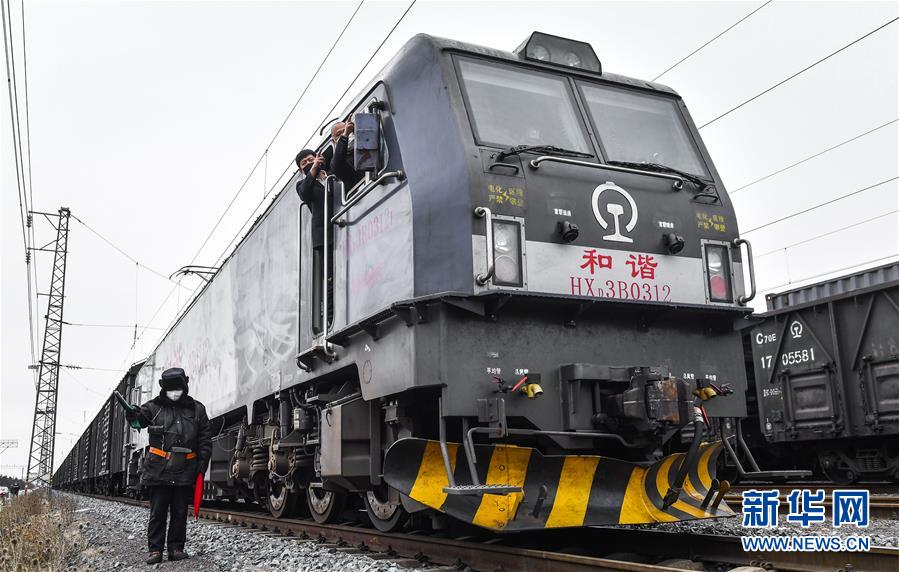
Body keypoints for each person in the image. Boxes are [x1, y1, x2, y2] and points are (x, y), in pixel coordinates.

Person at [126, 367, 211, 565]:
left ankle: (176, 548)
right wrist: (133, 416)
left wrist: (202, 465)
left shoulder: (197, 409)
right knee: (158, 512)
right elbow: (138, 423)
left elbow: (205, 439)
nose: (175, 393)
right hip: (159, 470)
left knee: (180, 512)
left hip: (185, 468)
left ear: (184, 387)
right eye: (171, 389)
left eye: (178, 388)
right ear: (163, 388)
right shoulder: (152, 408)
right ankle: (155, 550)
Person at [296, 144, 336, 334]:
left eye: (310, 159)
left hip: (340, 226)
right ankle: (330, 319)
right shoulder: (304, 184)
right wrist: (312, 170)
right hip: (324, 236)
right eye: (303, 163)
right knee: (330, 279)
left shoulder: (329, 176)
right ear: (300, 169)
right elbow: (304, 193)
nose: (308, 163)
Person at [330, 120, 364, 190]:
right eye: (339, 134)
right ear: (334, 141)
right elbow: (338, 164)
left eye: (349, 130)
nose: (347, 133)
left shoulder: (366, 147)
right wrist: (344, 136)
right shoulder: (337, 161)